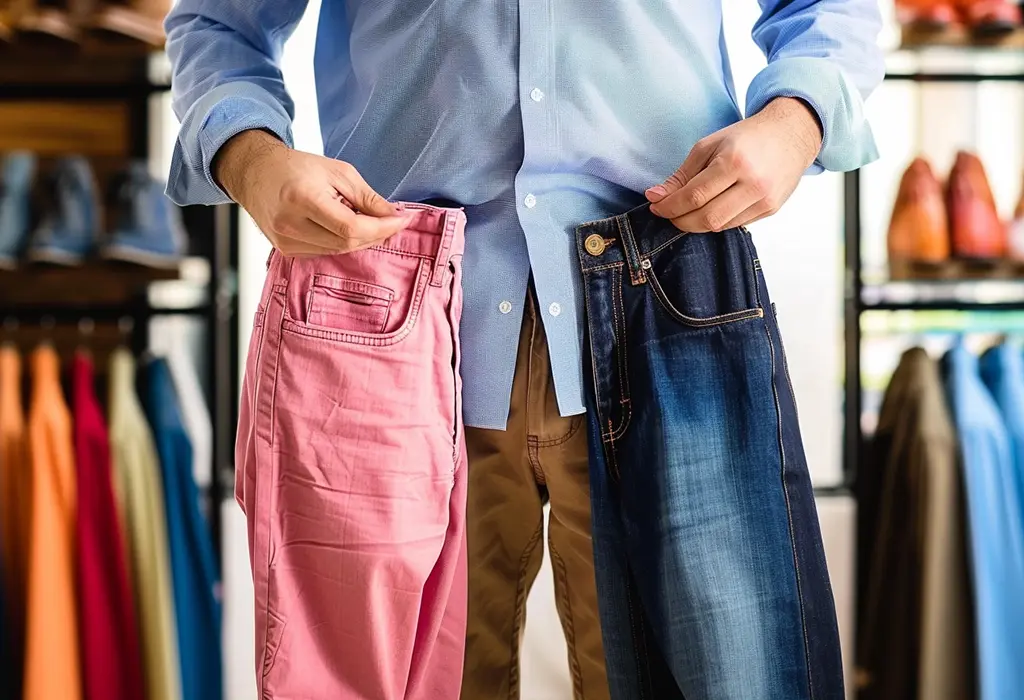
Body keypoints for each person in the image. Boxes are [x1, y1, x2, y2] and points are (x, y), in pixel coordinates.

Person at [164, 2, 883, 699]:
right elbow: (218, 22)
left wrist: (797, 123)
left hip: (666, 297)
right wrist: (251, 160)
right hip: (396, 316)